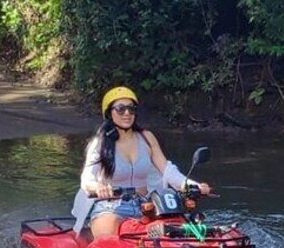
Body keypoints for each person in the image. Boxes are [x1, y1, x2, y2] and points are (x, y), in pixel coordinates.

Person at [73, 86, 211, 237]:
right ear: (109, 113)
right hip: (111, 207)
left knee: (182, 234)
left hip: (148, 206)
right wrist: (98, 187)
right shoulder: (100, 144)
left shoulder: (147, 138)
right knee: (107, 241)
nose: (127, 113)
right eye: (121, 109)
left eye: (131, 109)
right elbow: (87, 179)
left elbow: (167, 170)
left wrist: (194, 185)